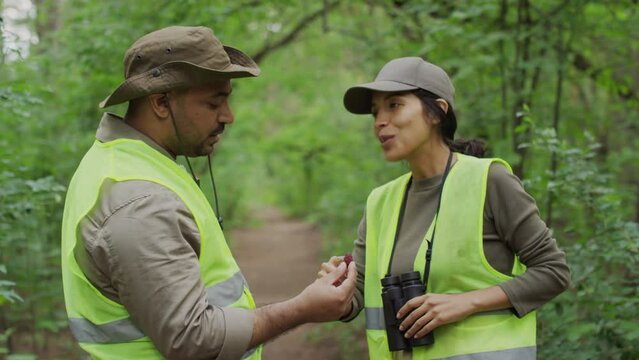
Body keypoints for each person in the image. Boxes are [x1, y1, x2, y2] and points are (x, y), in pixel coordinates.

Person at [60, 26, 356, 360]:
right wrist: (303, 308)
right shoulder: (140, 202)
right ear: (160, 102)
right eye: (214, 102)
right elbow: (193, 341)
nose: (228, 117)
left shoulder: (122, 163)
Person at [319, 57, 570, 359]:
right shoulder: (380, 202)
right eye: (375, 112)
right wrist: (338, 288)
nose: (379, 121)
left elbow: (553, 271)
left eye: (394, 105)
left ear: (437, 111)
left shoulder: (490, 181)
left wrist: (467, 302)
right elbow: (356, 298)